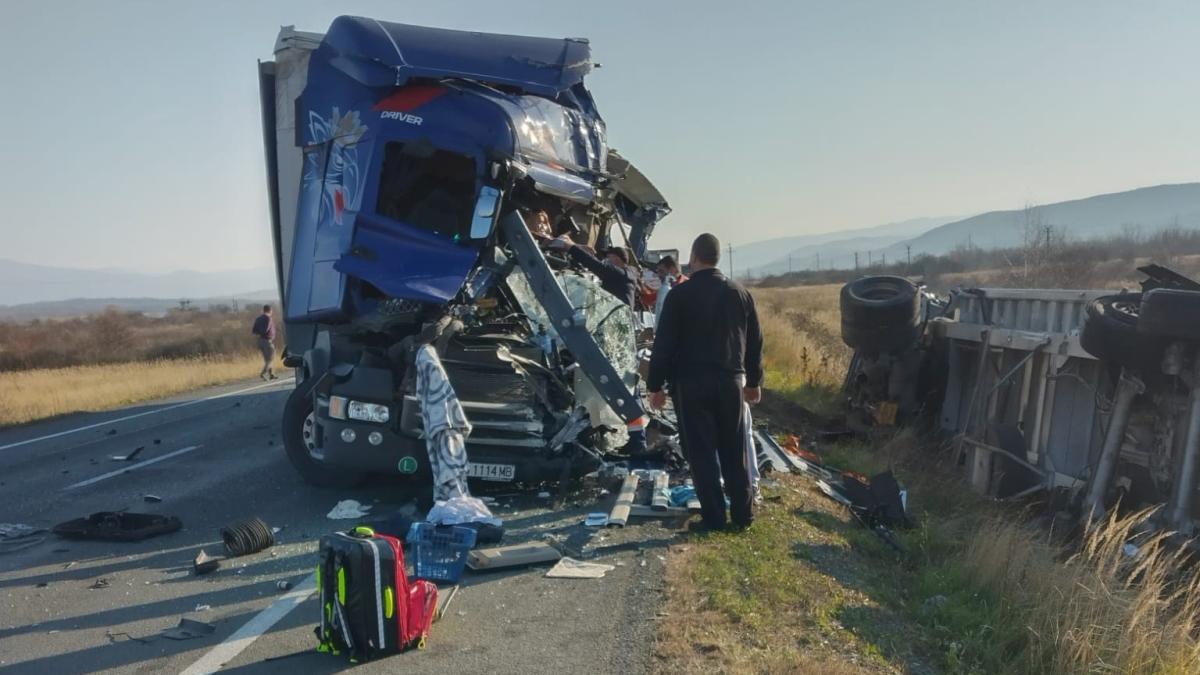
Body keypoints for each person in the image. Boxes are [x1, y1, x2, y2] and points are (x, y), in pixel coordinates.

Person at [647, 234, 763, 531]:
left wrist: (655, 386)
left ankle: (713, 517)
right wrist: (754, 381)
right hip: (731, 382)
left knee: (701, 453)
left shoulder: (680, 295)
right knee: (733, 449)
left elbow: (664, 345)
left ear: (695, 257)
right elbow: (754, 343)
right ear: (717, 258)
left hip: (691, 383)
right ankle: (743, 515)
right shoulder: (740, 292)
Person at [548, 237, 638, 307]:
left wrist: (570, 247)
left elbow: (595, 265)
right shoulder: (627, 275)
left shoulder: (621, 275)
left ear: (617, 259)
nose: (605, 260)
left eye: (608, 257)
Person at [251, 305, 278, 381]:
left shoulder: (258, 319)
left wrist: (259, 334)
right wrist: (265, 333)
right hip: (267, 341)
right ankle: (263, 374)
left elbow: (254, 331)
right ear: (270, 310)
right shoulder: (268, 318)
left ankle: (271, 374)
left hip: (260, 341)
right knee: (270, 359)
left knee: (267, 359)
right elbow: (266, 329)